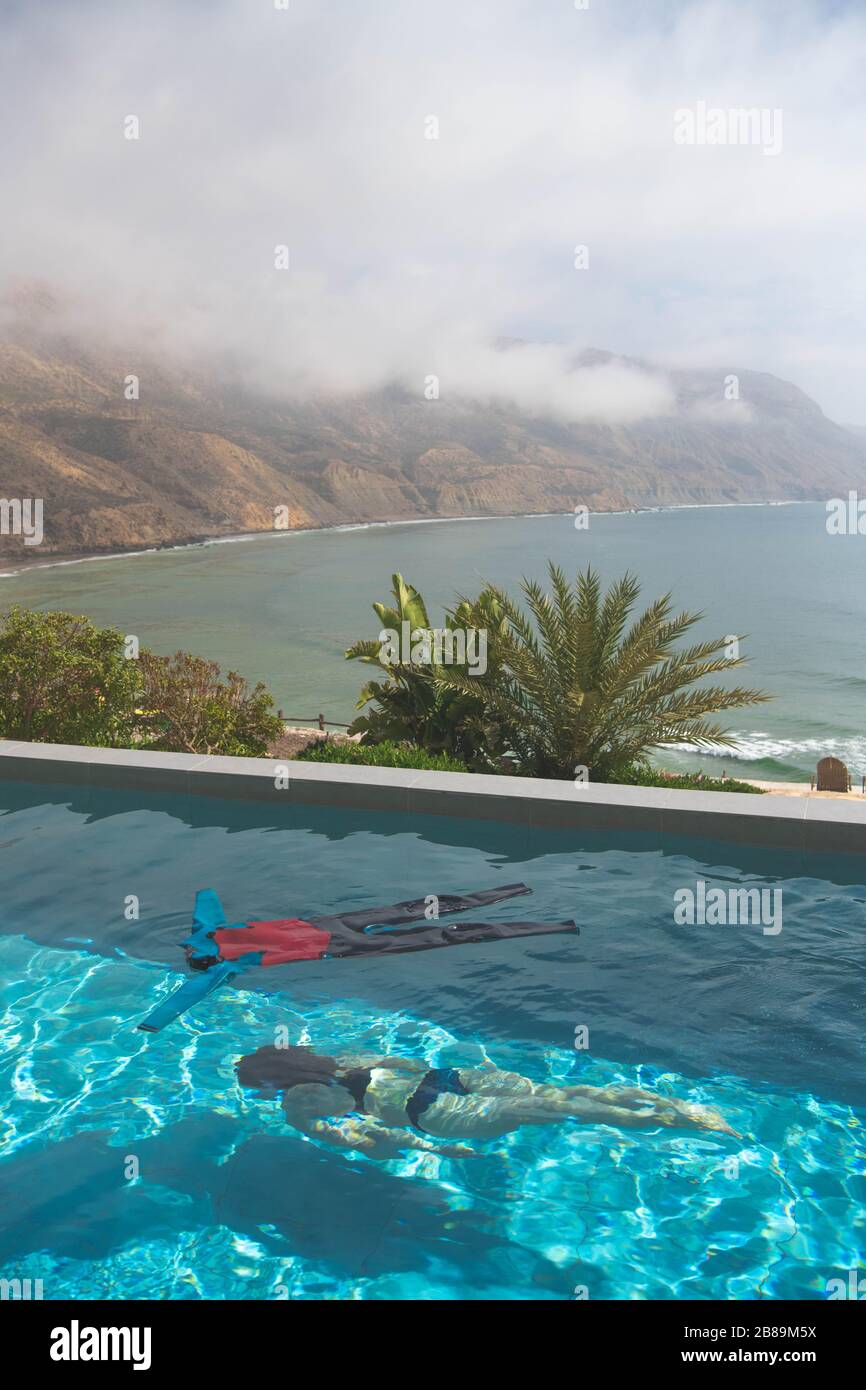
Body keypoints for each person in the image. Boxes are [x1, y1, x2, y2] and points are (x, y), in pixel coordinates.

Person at [236, 1044, 738, 1161]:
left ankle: (687, 1125)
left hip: (430, 1113)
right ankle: (668, 1105)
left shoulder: (298, 1103)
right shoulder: (344, 1059)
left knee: (559, 1108)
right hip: (449, 1079)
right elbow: (407, 1065)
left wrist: (431, 1151)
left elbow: (369, 1141)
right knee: (564, 1095)